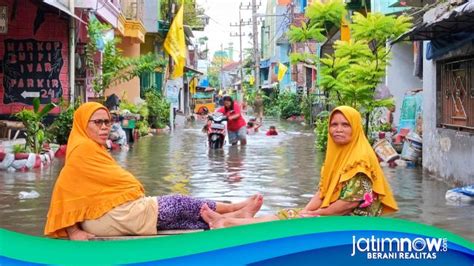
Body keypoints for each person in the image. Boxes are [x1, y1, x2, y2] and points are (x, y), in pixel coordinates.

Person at [44, 102, 263, 240]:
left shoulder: (92, 148)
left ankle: (233, 216)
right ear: (83, 124)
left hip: (115, 211)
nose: (104, 127)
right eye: (98, 122)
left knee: (184, 218)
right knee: (177, 204)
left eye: (107, 122)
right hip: (108, 217)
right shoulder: (82, 150)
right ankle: (235, 208)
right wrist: (73, 232)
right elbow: (64, 191)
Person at [200, 106, 398, 228]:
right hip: (335, 216)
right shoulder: (336, 157)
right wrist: (306, 211)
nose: (338, 129)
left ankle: (227, 223)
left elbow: (347, 204)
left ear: (355, 128)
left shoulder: (360, 159)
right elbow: (322, 192)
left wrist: (314, 214)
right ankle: (230, 222)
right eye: (334, 124)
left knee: (290, 218)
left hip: (353, 224)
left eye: (345, 125)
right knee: (291, 214)